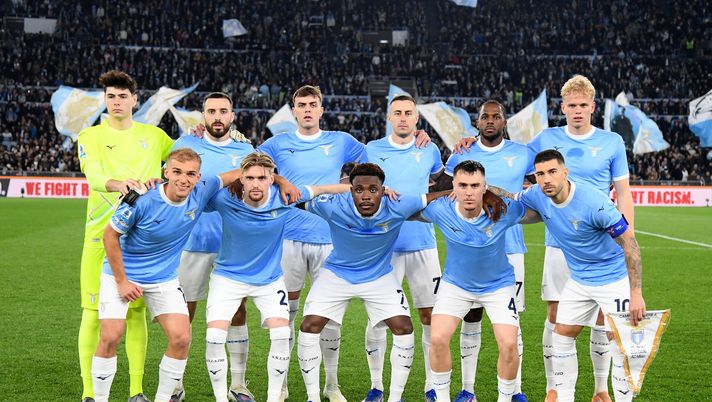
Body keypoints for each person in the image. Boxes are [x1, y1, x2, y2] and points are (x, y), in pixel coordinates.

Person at [258, 85, 430, 401]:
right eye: (301, 105)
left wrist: (416, 136)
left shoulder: (341, 141)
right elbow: (254, 164)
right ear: (294, 111)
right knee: (287, 317)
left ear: (321, 109)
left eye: (312, 104)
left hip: (330, 241)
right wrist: (281, 180)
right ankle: (280, 385)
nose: (307, 109)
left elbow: (376, 162)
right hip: (289, 237)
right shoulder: (277, 143)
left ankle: (331, 385)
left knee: (329, 320)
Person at [92, 148, 243, 402]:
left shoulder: (202, 190)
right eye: (177, 172)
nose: (184, 179)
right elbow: (110, 236)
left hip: (163, 278)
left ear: (198, 177)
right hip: (121, 274)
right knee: (110, 336)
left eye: (190, 174)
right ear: (166, 173)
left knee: (181, 339)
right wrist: (122, 281)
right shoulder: (141, 199)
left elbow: (240, 173)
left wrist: (279, 179)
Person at [296, 163, 452, 402]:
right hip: (337, 274)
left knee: (404, 328)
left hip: (379, 276)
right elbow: (294, 198)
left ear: (383, 190)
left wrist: (480, 191)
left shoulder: (398, 204)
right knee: (309, 325)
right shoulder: (333, 205)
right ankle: (312, 397)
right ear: (351, 191)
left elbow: (435, 197)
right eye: (359, 190)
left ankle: (395, 398)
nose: (366, 196)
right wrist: (327, 188)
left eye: (373, 190)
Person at [202, 153, 351, 402]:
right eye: (250, 178)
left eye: (262, 178)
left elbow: (325, 188)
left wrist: (375, 190)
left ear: (272, 179)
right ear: (241, 178)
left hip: (269, 280)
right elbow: (194, 193)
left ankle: (274, 397)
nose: (256, 184)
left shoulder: (284, 197)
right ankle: (221, 398)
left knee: (281, 333)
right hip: (228, 277)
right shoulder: (224, 198)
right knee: (214, 336)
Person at [526, 76, 634, 402]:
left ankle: (601, 389)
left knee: (603, 317)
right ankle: (554, 387)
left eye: (583, 105)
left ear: (592, 107)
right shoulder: (547, 138)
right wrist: (473, 142)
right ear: (562, 107)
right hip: (559, 242)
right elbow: (512, 160)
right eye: (571, 105)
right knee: (556, 315)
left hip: (600, 243)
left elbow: (624, 192)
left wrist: (627, 234)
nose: (577, 110)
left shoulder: (612, 142)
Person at [515, 150, 645, 402]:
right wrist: (484, 189)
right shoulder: (537, 194)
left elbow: (630, 244)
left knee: (620, 343)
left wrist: (636, 293)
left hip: (612, 278)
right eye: (540, 174)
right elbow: (511, 199)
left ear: (565, 172)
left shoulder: (593, 202)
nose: (546, 179)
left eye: (552, 172)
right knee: (562, 335)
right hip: (579, 279)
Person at [77, 70, 174, 402]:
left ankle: (136, 390)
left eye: (122, 96)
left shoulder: (155, 136)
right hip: (99, 236)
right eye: (110, 96)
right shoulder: (89, 136)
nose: (116, 102)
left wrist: (201, 134)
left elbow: (182, 158)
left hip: (141, 240)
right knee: (92, 314)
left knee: (135, 313)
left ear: (135, 100)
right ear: (104, 100)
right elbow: (93, 175)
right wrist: (119, 184)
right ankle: (90, 392)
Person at [422, 160, 541, 402]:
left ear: (485, 187)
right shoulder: (441, 209)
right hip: (455, 286)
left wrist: (504, 194)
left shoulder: (503, 209)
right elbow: (406, 209)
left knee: (509, 344)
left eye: (475, 186)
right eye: (463, 185)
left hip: (498, 287)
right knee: (437, 338)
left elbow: (539, 214)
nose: (469, 192)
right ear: (454, 186)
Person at [441, 100, 534, 402]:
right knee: (471, 317)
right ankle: (467, 389)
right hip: (469, 249)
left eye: (496, 116)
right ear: (477, 122)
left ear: (505, 121)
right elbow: (445, 192)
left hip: (511, 249)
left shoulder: (523, 154)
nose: (490, 121)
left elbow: (537, 193)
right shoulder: (462, 152)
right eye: (485, 116)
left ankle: (515, 390)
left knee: (511, 324)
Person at [171, 92, 255, 402]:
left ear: (232, 116)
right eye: (211, 111)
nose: (217, 116)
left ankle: (239, 385)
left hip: (234, 245)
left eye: (223, 111)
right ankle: (176, 384)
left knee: (238, 311)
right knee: (184, 311)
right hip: (192, 241)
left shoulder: (246, 150)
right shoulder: (185, 145)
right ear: (203, 115)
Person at [364, 94, 445, 401]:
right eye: (397, 112)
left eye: (408, 113)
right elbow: (358, 186)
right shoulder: (372, 149)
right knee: (379, 318)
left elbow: (440, 181)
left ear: (416, 119)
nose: (402, 117)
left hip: (423, 243)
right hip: (383, 246)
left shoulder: (429, 149)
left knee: (430, 316)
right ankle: (377, 386)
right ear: (388, 117)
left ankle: (431, 385)